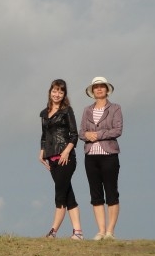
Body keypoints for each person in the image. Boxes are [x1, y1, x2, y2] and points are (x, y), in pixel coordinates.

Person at [79, 76, 123, 240]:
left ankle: (110, 231)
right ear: (92, 91)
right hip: (91, 156)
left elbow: (117, 130)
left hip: (109, 155)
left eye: (101, 87)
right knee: (95, 193)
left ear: (106, 89)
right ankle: (101, 230)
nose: (99, 89)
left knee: (111, 192)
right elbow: (81, 132)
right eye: (96, 87)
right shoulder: (87, 110)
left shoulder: (115, 108)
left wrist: (97, 134)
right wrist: (87, 135)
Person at [38, 79, 83, 240]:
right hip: (51, 158)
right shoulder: (44, 113)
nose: (57, 94)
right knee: (68, 194)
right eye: (55, 91)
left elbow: (74, 134)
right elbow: (44, 136)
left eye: (60, 92)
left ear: (64, 94)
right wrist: (42, 152)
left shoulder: (67, 111)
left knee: (59, 195)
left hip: (66, 159)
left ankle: (53, 231)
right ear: (50, 92)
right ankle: (78, 232)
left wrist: (66, 152)